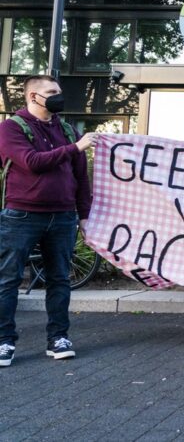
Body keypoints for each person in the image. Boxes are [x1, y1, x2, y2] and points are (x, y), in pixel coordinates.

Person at [0, 75, 96, 366]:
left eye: (59, 92)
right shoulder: (10, 129)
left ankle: (58, 338)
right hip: (22, 215)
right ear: (32, 97)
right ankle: (4, 341)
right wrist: (76, 147)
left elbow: (81, 177)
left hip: (63, 216)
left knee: (59, 280)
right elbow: (31, 163)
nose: (58, 96)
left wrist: (84, 215)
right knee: (8, 279)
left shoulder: (67, 129)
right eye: (51, 92)